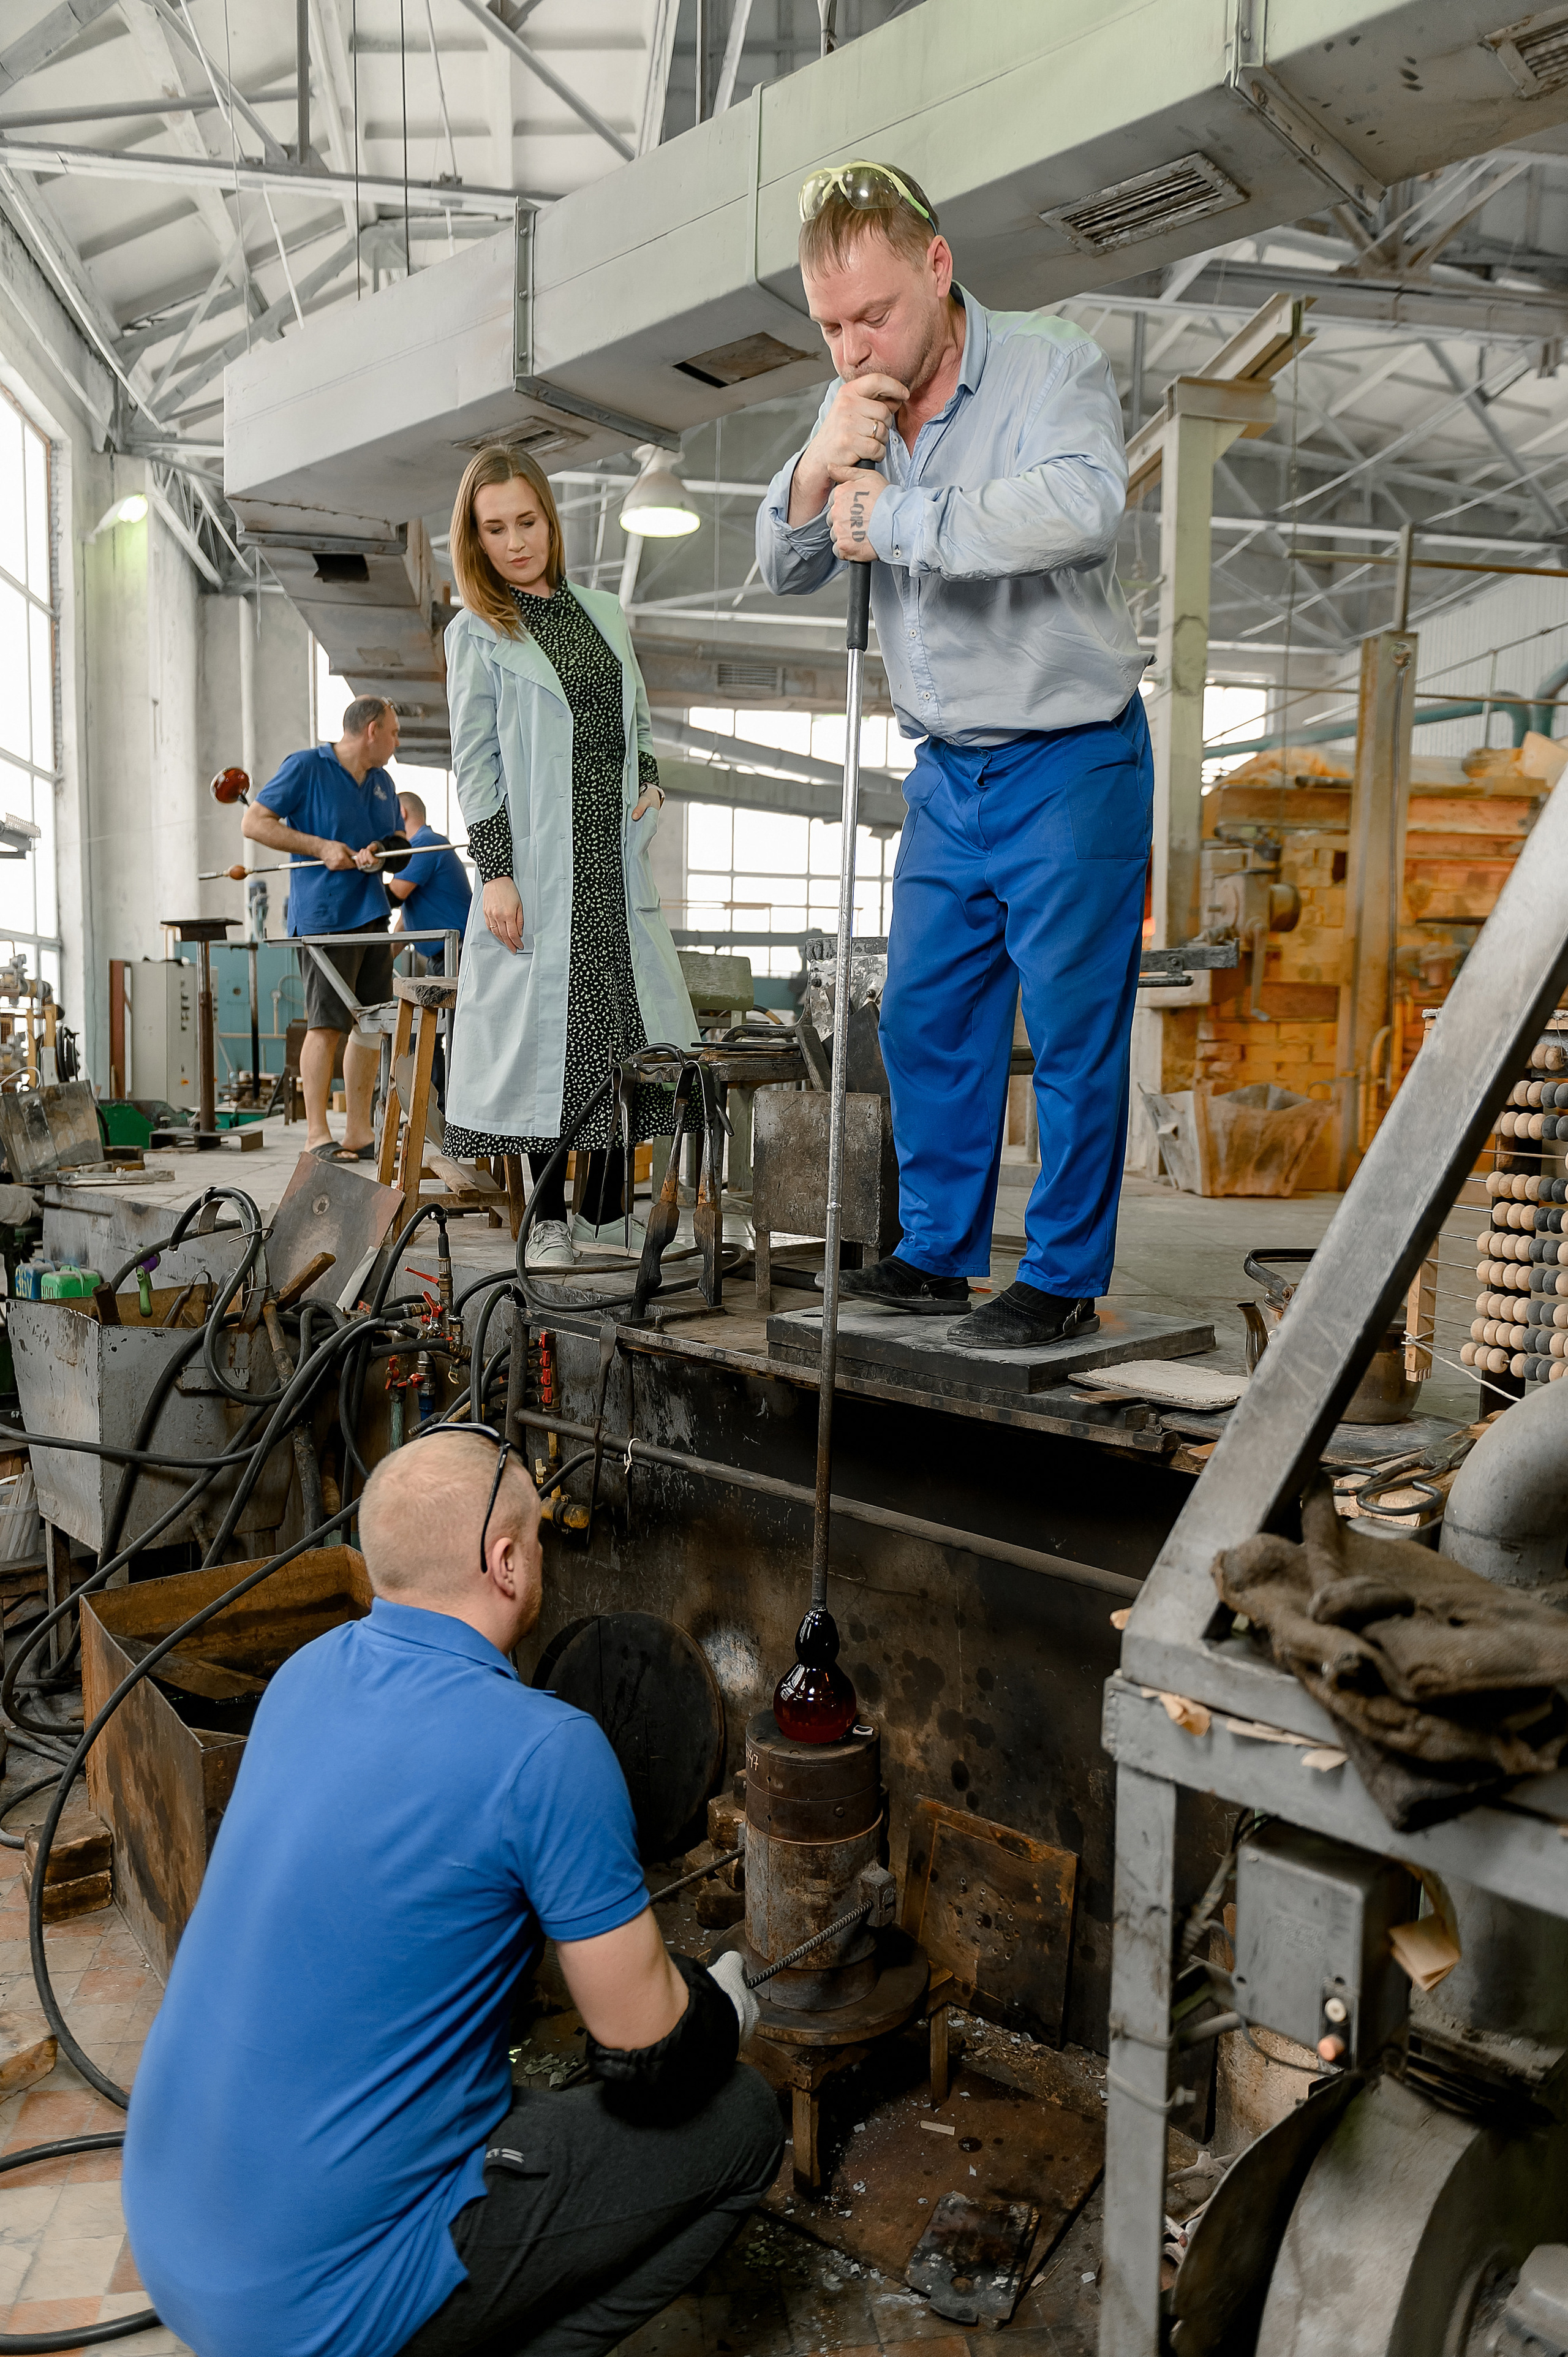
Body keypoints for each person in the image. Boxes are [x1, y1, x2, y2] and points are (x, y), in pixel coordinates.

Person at [122, 1429, 781, 2357]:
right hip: (308, 2309)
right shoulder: (546, 1748)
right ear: (505, 1562)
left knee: (516, 2099)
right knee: (744, 2122)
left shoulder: (305, 1674)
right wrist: (718, 2009)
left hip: (170, 2228)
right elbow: (648, 2055)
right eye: (538, 1539)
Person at [756, 162, 1152, 1348]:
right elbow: (783, 562)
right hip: (945, 774)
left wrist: (895, 517)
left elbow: (1081, 507)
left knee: (1072, 1033)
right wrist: (819, 463)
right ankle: (934, 1255)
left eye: (872, 315)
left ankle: (1062, 1275)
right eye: (829, 326)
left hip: (1067, 760)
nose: (852, 346)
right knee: (926, 1016)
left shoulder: (1049, 366)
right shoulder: (856, 407)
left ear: (936, 266)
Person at [441, 445, 696, 1271]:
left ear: (551, 521)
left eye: (527, 522)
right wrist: (496, 873)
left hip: (611, 864)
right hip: (537, 867)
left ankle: (604, 1214)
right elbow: (475, 762)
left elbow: (638, 718)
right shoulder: (476, 632)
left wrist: (649, 782)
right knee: (540, 1052)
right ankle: (547, 1219)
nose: (515, 542)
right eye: (495, 529)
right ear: (474, 538)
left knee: (619, 1040)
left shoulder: (604, 614)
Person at [243, 696, 403, 1161]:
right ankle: (317, 1135)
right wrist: (320, 848)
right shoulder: (306, 767)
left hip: (371, 914)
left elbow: (398, 843)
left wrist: (379, 850)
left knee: (371, 1024)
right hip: (325, 918)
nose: (397, 743)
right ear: (372, 730)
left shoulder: (383, 782)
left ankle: (358, 1131)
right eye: (394, 733)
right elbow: (254, 822)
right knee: (326, 1025)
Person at [387, 787, 473, 970]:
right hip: (439, 957)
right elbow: (405, 921)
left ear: (401, 812)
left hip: (456, 954)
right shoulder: (425, 844)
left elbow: (393, 895)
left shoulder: (424, 844)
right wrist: (383, 963)